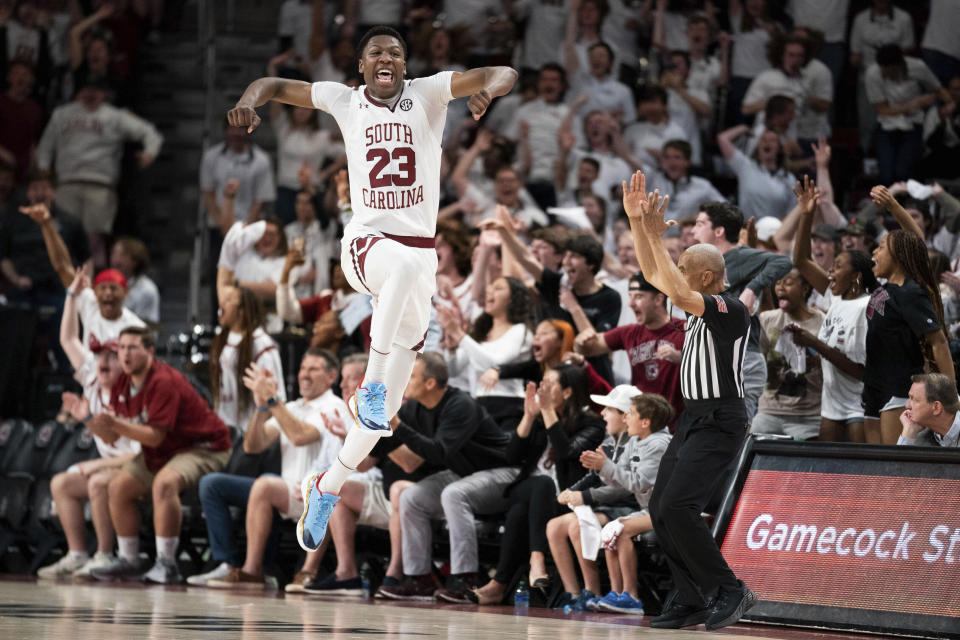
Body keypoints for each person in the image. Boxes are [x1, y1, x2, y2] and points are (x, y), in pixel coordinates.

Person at [228, 25, 518, 550]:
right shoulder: (344, 100)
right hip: (367, 244)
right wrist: (250, 100)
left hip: (420, 257)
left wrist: (487, 91)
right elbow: (273, 84)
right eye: (376, 52)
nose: (387, 57)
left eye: (396, 52)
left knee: (382, 420)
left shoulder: (428, 92)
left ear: (405, 65)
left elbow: (505, 71)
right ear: (361, 66)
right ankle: (373, 387)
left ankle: (326, 485)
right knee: (396, 300)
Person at [623, 170, 756, 630]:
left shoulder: (730, 310)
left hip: (722, 418)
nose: (676, 278)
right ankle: (691, 597)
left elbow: (673, 285)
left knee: (679, 506)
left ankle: (730, 589)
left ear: (705, 276)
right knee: (661, 509)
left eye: (685, 269)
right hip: (693, 419)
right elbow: (654, 273)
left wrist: (656, 235)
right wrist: (639, 225)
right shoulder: (694, 301)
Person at [188, 349, 350, 590]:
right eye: (303, 369)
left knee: (264, 484)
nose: (305, 375)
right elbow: (253, 445)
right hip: (285, 489)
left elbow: (299, 436)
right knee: (212, 484)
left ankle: (253, 571)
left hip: (311, 493)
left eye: (313, 369)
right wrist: (261, 406)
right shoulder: (293, 407)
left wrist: (273, 400)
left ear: (331, 376)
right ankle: (227, 563)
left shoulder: (332, 406)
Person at [88, 327, 232, 584]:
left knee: (165, 483)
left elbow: (154, 436)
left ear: (150, 351)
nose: (125, 354)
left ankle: (167, 563)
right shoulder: (123, 382)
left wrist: (114, 424)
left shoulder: (163, 381)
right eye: (121, 348)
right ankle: (129, 560)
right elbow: (115, 433)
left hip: (204, 446)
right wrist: (100, 427)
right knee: (118, 486)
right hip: (165, 449)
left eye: (132, 347)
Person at [372, 353, 513, 601]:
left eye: (411, 376)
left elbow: (438, 452)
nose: (405, 381)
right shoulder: (416, 407)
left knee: (453, 494)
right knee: (410, 497)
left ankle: (464, 580)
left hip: (503, 474)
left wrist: (396, 425)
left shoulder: (461, 405)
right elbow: (384, 447)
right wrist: (370, 422)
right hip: (464, 473)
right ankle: (420, 579)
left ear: (430, 383)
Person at [469, 364, 605, 606]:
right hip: (526, 490)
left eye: (549, 384)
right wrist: (529, 415)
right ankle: (537, 560)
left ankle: (499, 584)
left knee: (520, 514)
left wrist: (547, 412)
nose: (542, 389)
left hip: (564, 500)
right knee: (539, 484)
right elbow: (511, 456)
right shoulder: (539, 419)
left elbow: (566, 452)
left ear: (567, 392)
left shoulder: (591, 425)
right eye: (541, 382)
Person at [36, 271, 140, 580]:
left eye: (111, 357)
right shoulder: (93, 379)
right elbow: (67, 338)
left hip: (138, 466)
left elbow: (140, 454)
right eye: (98, 357)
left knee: (96, 480)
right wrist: (70, 297)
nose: (103, 363)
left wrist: (97, 466)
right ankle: (77, 553)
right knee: (61, 484)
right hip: (113, 465)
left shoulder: (134, 392)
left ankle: (105, 555)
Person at [862, 185, 955, 444]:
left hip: (899, 389)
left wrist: (951, 395)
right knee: (873, 472)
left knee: (893, 472)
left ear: (900, 255)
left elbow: (938, 342)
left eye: (881, 247)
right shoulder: (885, 287)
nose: (875, 253)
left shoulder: (911, 291)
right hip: (874, 386)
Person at [791, 179, 877, 442]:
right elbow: (801, 260)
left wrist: (814, 343)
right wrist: (806, 216)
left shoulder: (867, 307)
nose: (830, 271)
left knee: (859, 476)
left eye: (838, 266)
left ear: (856, 277)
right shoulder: (834, 296)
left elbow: (862, 371)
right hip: (831, 404)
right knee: (829, 477)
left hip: (858, 404)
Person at [691, 201, 792, 419]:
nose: (693, 230)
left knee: (732, 438)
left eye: (700, 224)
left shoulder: (739, 256)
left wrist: (752, 289)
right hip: (715, 359)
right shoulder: (704, 265)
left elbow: (784, 262)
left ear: (719, 231)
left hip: (742, 358)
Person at [545, 384, 642, 611]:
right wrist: (572, 492)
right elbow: (593, 475)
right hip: (607, 505)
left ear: (625, 415)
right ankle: (573, 593)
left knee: (577, 526)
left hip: (630, 507)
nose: (602, 413)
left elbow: (628, 487)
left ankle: (593, 591)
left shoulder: (637, 444)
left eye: (608, 409)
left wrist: (585, 496)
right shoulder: (610, 440)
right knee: (553, 526)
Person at [584, 392, 674, 614]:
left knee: (621, 530)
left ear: (645, 422)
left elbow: (639, 483)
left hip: (668, 511)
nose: (625, 418)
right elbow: (619, 480)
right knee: (609, 530)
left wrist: (607, 466)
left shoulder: (659, 445)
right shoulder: (635, 440)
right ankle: (617, 594)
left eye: (631, 414)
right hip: (648, 509)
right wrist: (601, 467)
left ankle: (632, 596)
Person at [21, 200, 145, 351]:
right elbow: (62, 265)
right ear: (95, 291)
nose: (107, 293)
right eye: (103, 288)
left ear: (126, 293)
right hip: (89, 373)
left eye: (113, 288)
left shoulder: (136, 327)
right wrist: (47, 224)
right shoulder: (91, 305)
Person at [575, 273, 685, 419]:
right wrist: (579, 343)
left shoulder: (684, 329)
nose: (631, 304)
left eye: (638, 297)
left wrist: (680, 356)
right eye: (630, 296)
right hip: (639, 423)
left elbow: (710, 363)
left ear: (658, 299)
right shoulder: (629, 332)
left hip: (676, 425)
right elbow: (590, 348)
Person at [438, 276, 532, 430]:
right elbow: (453, 371)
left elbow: (495, 365)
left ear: (512, 299)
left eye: (498, 288)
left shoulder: (520, 331)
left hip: (509, 406)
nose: (490, 292)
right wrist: (451, 348)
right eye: (489, 288)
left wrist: (459, 335)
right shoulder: (480, 333)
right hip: (479, 403)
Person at [752, 267, 825, 440]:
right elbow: (757, 358)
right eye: (777, 283)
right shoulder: (767, 319)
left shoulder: (822, 321)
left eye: (788, 282)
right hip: (768, 412)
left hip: (808, 417)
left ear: (805, 288)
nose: (780, 288)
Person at [717, 124, 795, 221]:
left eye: (772, 140)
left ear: (779, 148)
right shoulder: (745, 166)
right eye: (763, 139)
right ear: (758, 146)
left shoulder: (789, 178)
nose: (767, 143)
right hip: (746, 230)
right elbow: (722, 139)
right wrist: (743, 128)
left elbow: (792, 213)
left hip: (774, 232)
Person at [897, 373, 960, 447]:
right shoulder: (920, 433)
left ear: (936, 407)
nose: (907, 406)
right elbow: (899, 458)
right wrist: (909, 432)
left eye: (914, 400)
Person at [109, 236, 160, 323]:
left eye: (122, 255)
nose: (115, 260)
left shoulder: (146, 289)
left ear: (135, 261)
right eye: (114, 253)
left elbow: (144, 327)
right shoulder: (108, 285)